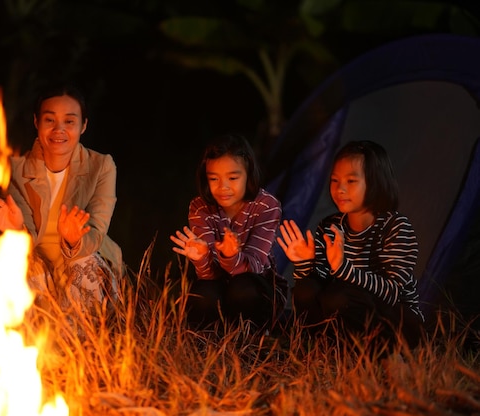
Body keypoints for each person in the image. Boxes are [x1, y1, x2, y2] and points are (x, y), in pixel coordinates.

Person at [0, 83, 123, 312]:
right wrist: (16, 228)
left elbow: (97, 230)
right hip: (38, 266)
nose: (59, 130)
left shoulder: (101, 166)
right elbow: (24, 243)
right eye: (50, 120)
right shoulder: (16, 170)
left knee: (83, 264)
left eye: (69, 121)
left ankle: (82, 342)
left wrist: (74, 240)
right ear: (37, 122)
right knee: (9, 266)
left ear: (83, 125)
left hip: (82, 260)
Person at [276, 140, 424, 349]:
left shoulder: (395, 227)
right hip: (347, 317)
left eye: (351, 181)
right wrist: (304, 263)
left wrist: (345, 270)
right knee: (305, 290)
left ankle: (387, 356)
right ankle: (332, 349)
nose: (340, 189)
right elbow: (316, 289)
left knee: (339, 295)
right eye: (335, 181)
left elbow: (393, 292)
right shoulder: (331, 226)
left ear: (375, 182)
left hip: (397, 323)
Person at [170, 133, 288, 333]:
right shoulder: (201, 207)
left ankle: (252, 345)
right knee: (203, 293)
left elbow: (256, 266)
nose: (223, 187)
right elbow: (208, 276)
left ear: (248, 173)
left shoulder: (266, 206)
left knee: (242, 288)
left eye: (233, 178)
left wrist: (231, 256)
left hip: (257, 286)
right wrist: (201, 258)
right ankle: (208, 350)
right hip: (218, 286)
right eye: (214, 178)